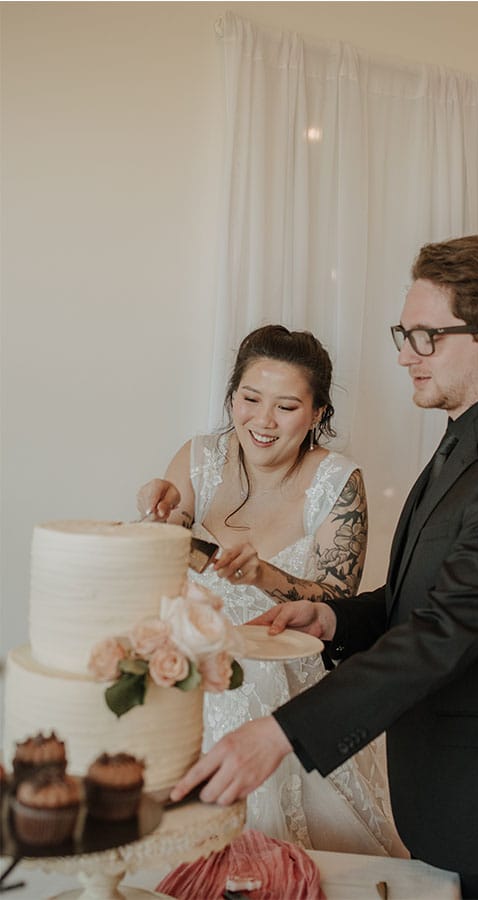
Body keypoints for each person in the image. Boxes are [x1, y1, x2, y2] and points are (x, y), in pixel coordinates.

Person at [170, 237, 478, 899]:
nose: (404, 354)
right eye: (406, 333)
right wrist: (333, 615)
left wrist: (280, 734)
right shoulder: (470, 440)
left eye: (427, 336)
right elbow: (414, 600)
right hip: (452, 792)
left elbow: (441, 636)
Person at [137, 324, 403, 855]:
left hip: (287, 709)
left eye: (286, 407)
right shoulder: (199, 458)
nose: (262, 421)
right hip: (189, 693)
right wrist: (159, 513)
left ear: (317, 413)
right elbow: (169, 550)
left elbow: (339, 605)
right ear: (232, 395)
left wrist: (264, 576)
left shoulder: (337, 482)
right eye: (250, 399)